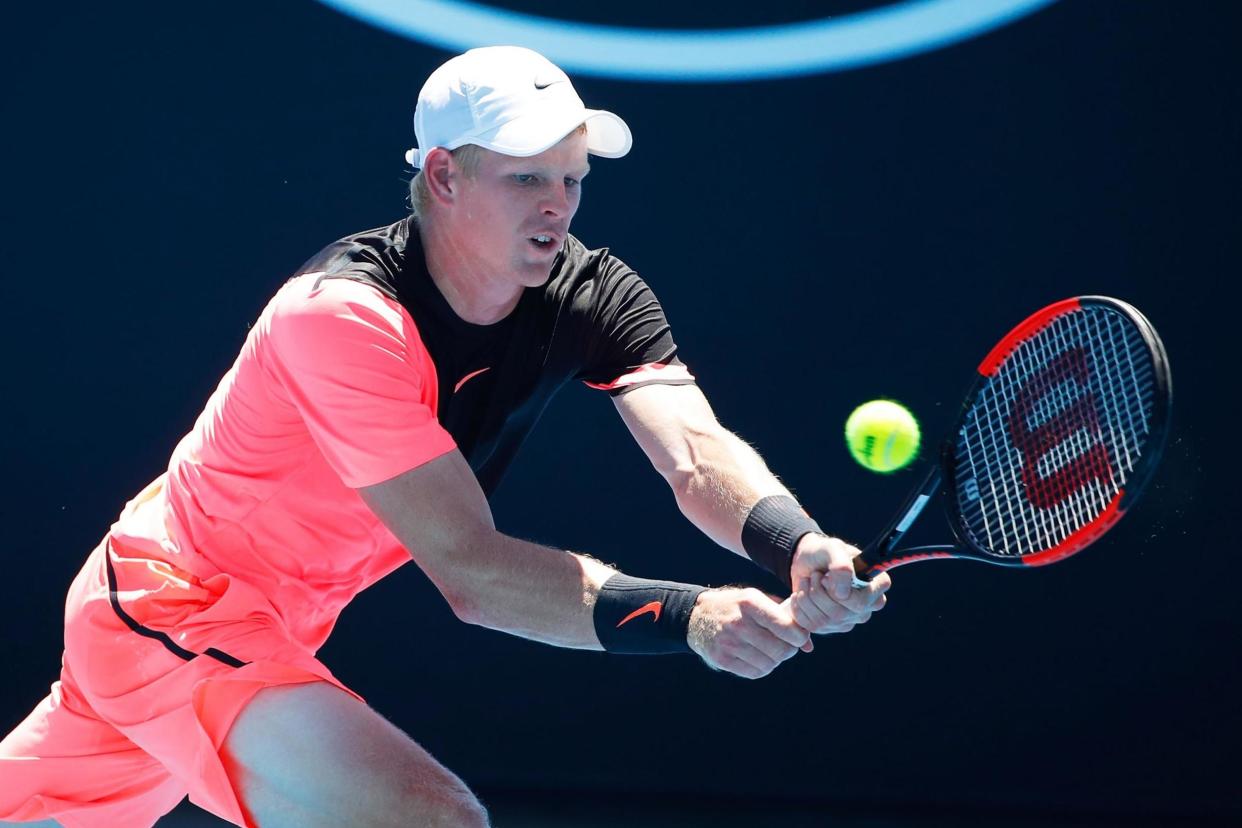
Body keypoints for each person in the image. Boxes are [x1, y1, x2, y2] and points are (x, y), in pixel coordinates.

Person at [0, 46, 890, 828]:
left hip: (265, 622)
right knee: (426, 821)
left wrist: (795, 541)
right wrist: (690, 618)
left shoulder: (590, 291)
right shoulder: (340, 318)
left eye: (572, 177)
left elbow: (695, 452)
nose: (560, 206)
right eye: (527, 178)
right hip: (174, 610)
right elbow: (472, 575)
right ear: (444, 175)